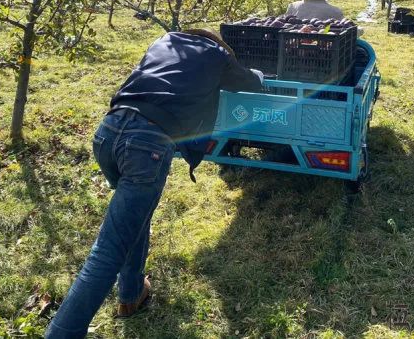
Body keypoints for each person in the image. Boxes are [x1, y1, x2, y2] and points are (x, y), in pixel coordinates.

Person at [46, 29, 263, 338]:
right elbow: (247, 81)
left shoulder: (165, 41)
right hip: (146, 146)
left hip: (108, 133)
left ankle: (132, 295)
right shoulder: (218, 56)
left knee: (134, 218)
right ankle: (62, 332)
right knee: (108, 251)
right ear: (217, 45)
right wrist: (259, 74)